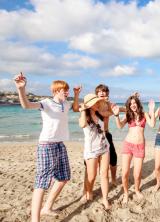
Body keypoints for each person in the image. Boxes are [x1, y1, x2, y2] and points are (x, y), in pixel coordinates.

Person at [13, 72, 80, 222]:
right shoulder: (46, 103)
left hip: (60, 145)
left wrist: (76, 95)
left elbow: (76, 108)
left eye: (67, 90)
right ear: (56, 91)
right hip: (46, 145)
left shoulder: (66, 104)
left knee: (63, 178)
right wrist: (21, 89)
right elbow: (26, 105)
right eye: (65, 90)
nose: (66, 92)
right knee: (42, 182)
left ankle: (47, 207)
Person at [112, 94, 155, 203]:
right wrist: (116, 116)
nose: (133, 105)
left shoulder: (144, 114)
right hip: (128, 145)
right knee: (125, 172)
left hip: (139, 147)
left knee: (137, 173)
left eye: (134, 103)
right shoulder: (128, 114)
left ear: (138, 104)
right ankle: (126, 193)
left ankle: (136, 190)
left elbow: (152, 124)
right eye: (130, 104)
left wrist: (152, 110)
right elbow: (120, 126)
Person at [79, 93, 111, 209]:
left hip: (104, 148)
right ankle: (87, 192)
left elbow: (111, 113)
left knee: (104, 174)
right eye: (95, 102)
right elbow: (82, 124)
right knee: (91, 177)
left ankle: (105, 199)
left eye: (98, 102)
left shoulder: (101, 115)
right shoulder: (85, 117)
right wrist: (83, 110)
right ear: (89, 104)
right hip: (92, 150)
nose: (98, 104)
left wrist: (105, 101)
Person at [95, 84, 125, 186]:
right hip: (95, 136)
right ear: (97, 94)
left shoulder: (110, 104)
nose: (103, 93)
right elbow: (103, 114)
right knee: (98, 160)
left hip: (106, 134)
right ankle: (102, 179)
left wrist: (132, 104)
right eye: (101, 92)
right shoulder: (94, 105)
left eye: (105, 92)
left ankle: (113, 179)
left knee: (113, 158)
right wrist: (113, 112)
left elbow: (121, 109)